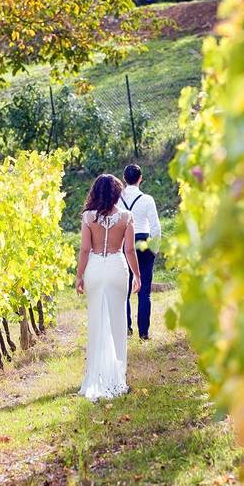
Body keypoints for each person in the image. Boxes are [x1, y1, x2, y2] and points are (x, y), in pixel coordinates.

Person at [74, 174, 142, 401]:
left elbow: (84, 250)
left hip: (95, 268)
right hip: (116, 268)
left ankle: (96, 375)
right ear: (116, 193)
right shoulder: (126, 217)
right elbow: (130, 251)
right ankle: (117, 378)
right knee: (117, 322)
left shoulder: (87, 217)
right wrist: (137, 275)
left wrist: (79, 276)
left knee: (96, 321)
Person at [118, 164, 161, 340]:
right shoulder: (147, 199)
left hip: (123, 244)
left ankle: (126, 329)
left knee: (124, 290)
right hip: (143, 243)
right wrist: (154, 249)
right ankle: (144, 333)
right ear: (140, 178)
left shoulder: (117, 199)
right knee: (145, 291)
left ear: (124, 179)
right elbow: (156, 227)